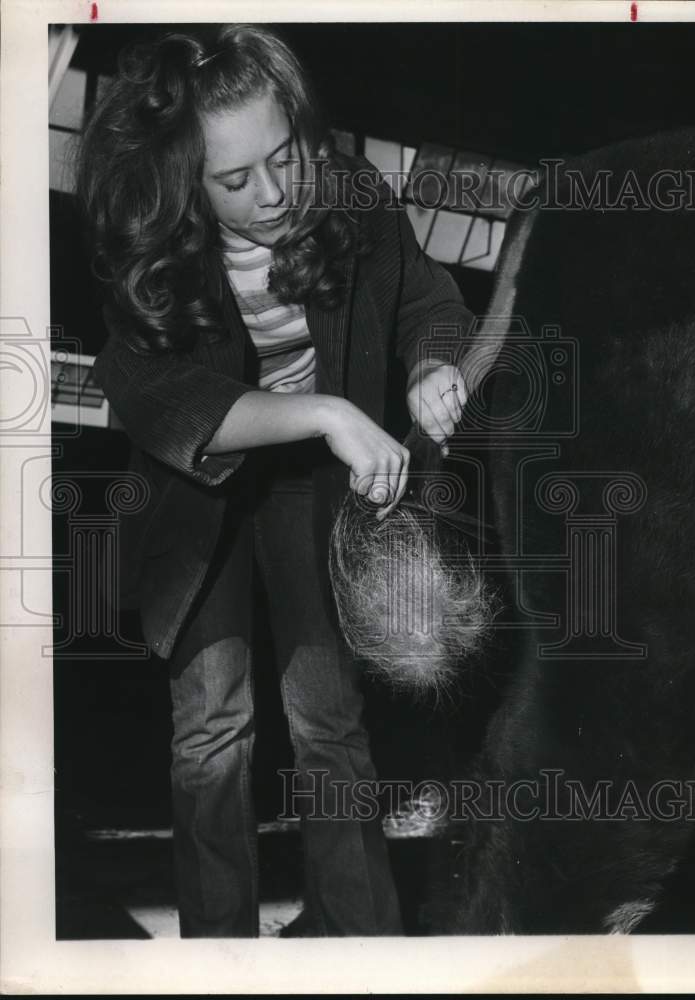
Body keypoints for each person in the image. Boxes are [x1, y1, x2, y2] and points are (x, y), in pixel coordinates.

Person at [78, 22, 473, 938]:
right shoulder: (149, 252)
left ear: (303, 129)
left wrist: (430, 366)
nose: (272, 194)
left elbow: (428, 299)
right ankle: (218, 952)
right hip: (200, 498)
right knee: (212, 728)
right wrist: (332, 413)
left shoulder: (351, 196)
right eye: (233, 181)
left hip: (312, 496)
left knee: (329, 723)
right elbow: (160, 399)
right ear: (187, 184)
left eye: (285, 156)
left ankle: (358, 939)